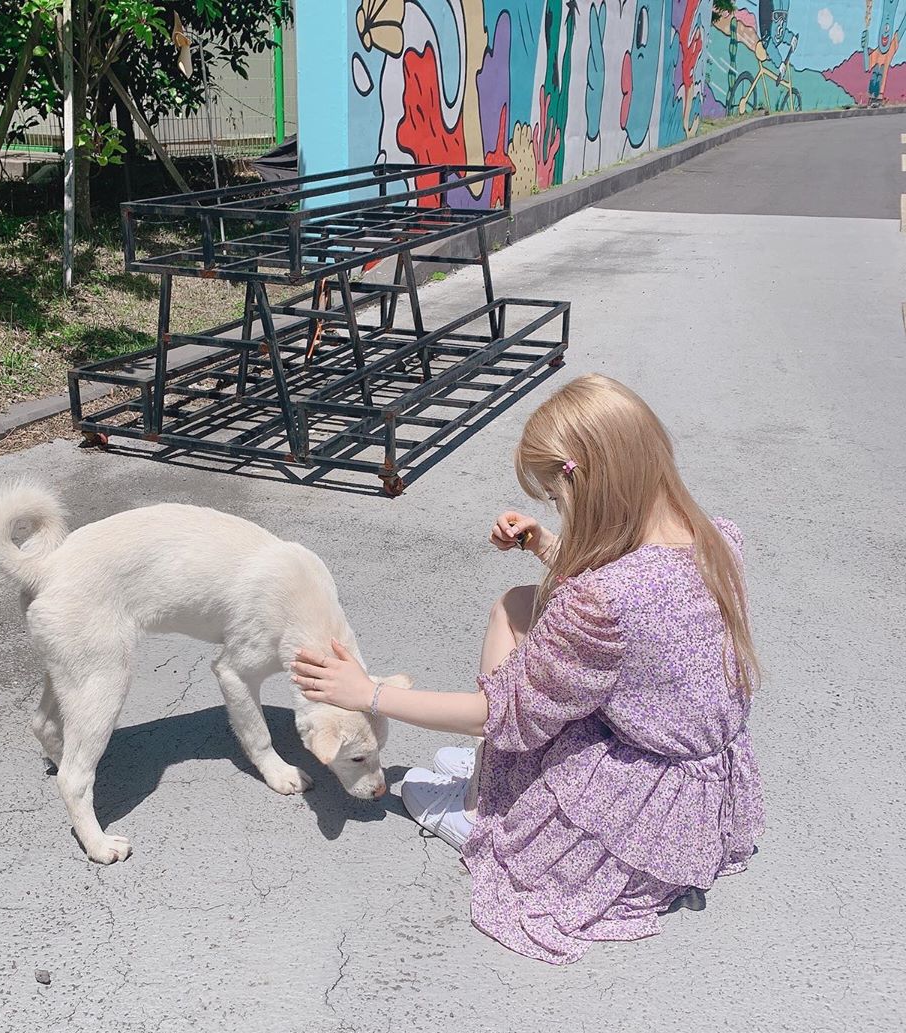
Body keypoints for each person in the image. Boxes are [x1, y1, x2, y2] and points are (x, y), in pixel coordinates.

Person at [291, 374, 765, 964]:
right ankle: (508, 783)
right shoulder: (720, 540)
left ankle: (486, 805)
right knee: (518, 603)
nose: (554, 506)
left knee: (494, 706)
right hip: (698, 783)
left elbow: (497, 715)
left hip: (633, 797)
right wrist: (545, 544)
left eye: (554, 496)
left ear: (585, 482)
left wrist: (369, 693)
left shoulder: (599, 601)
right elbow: (640, 585)